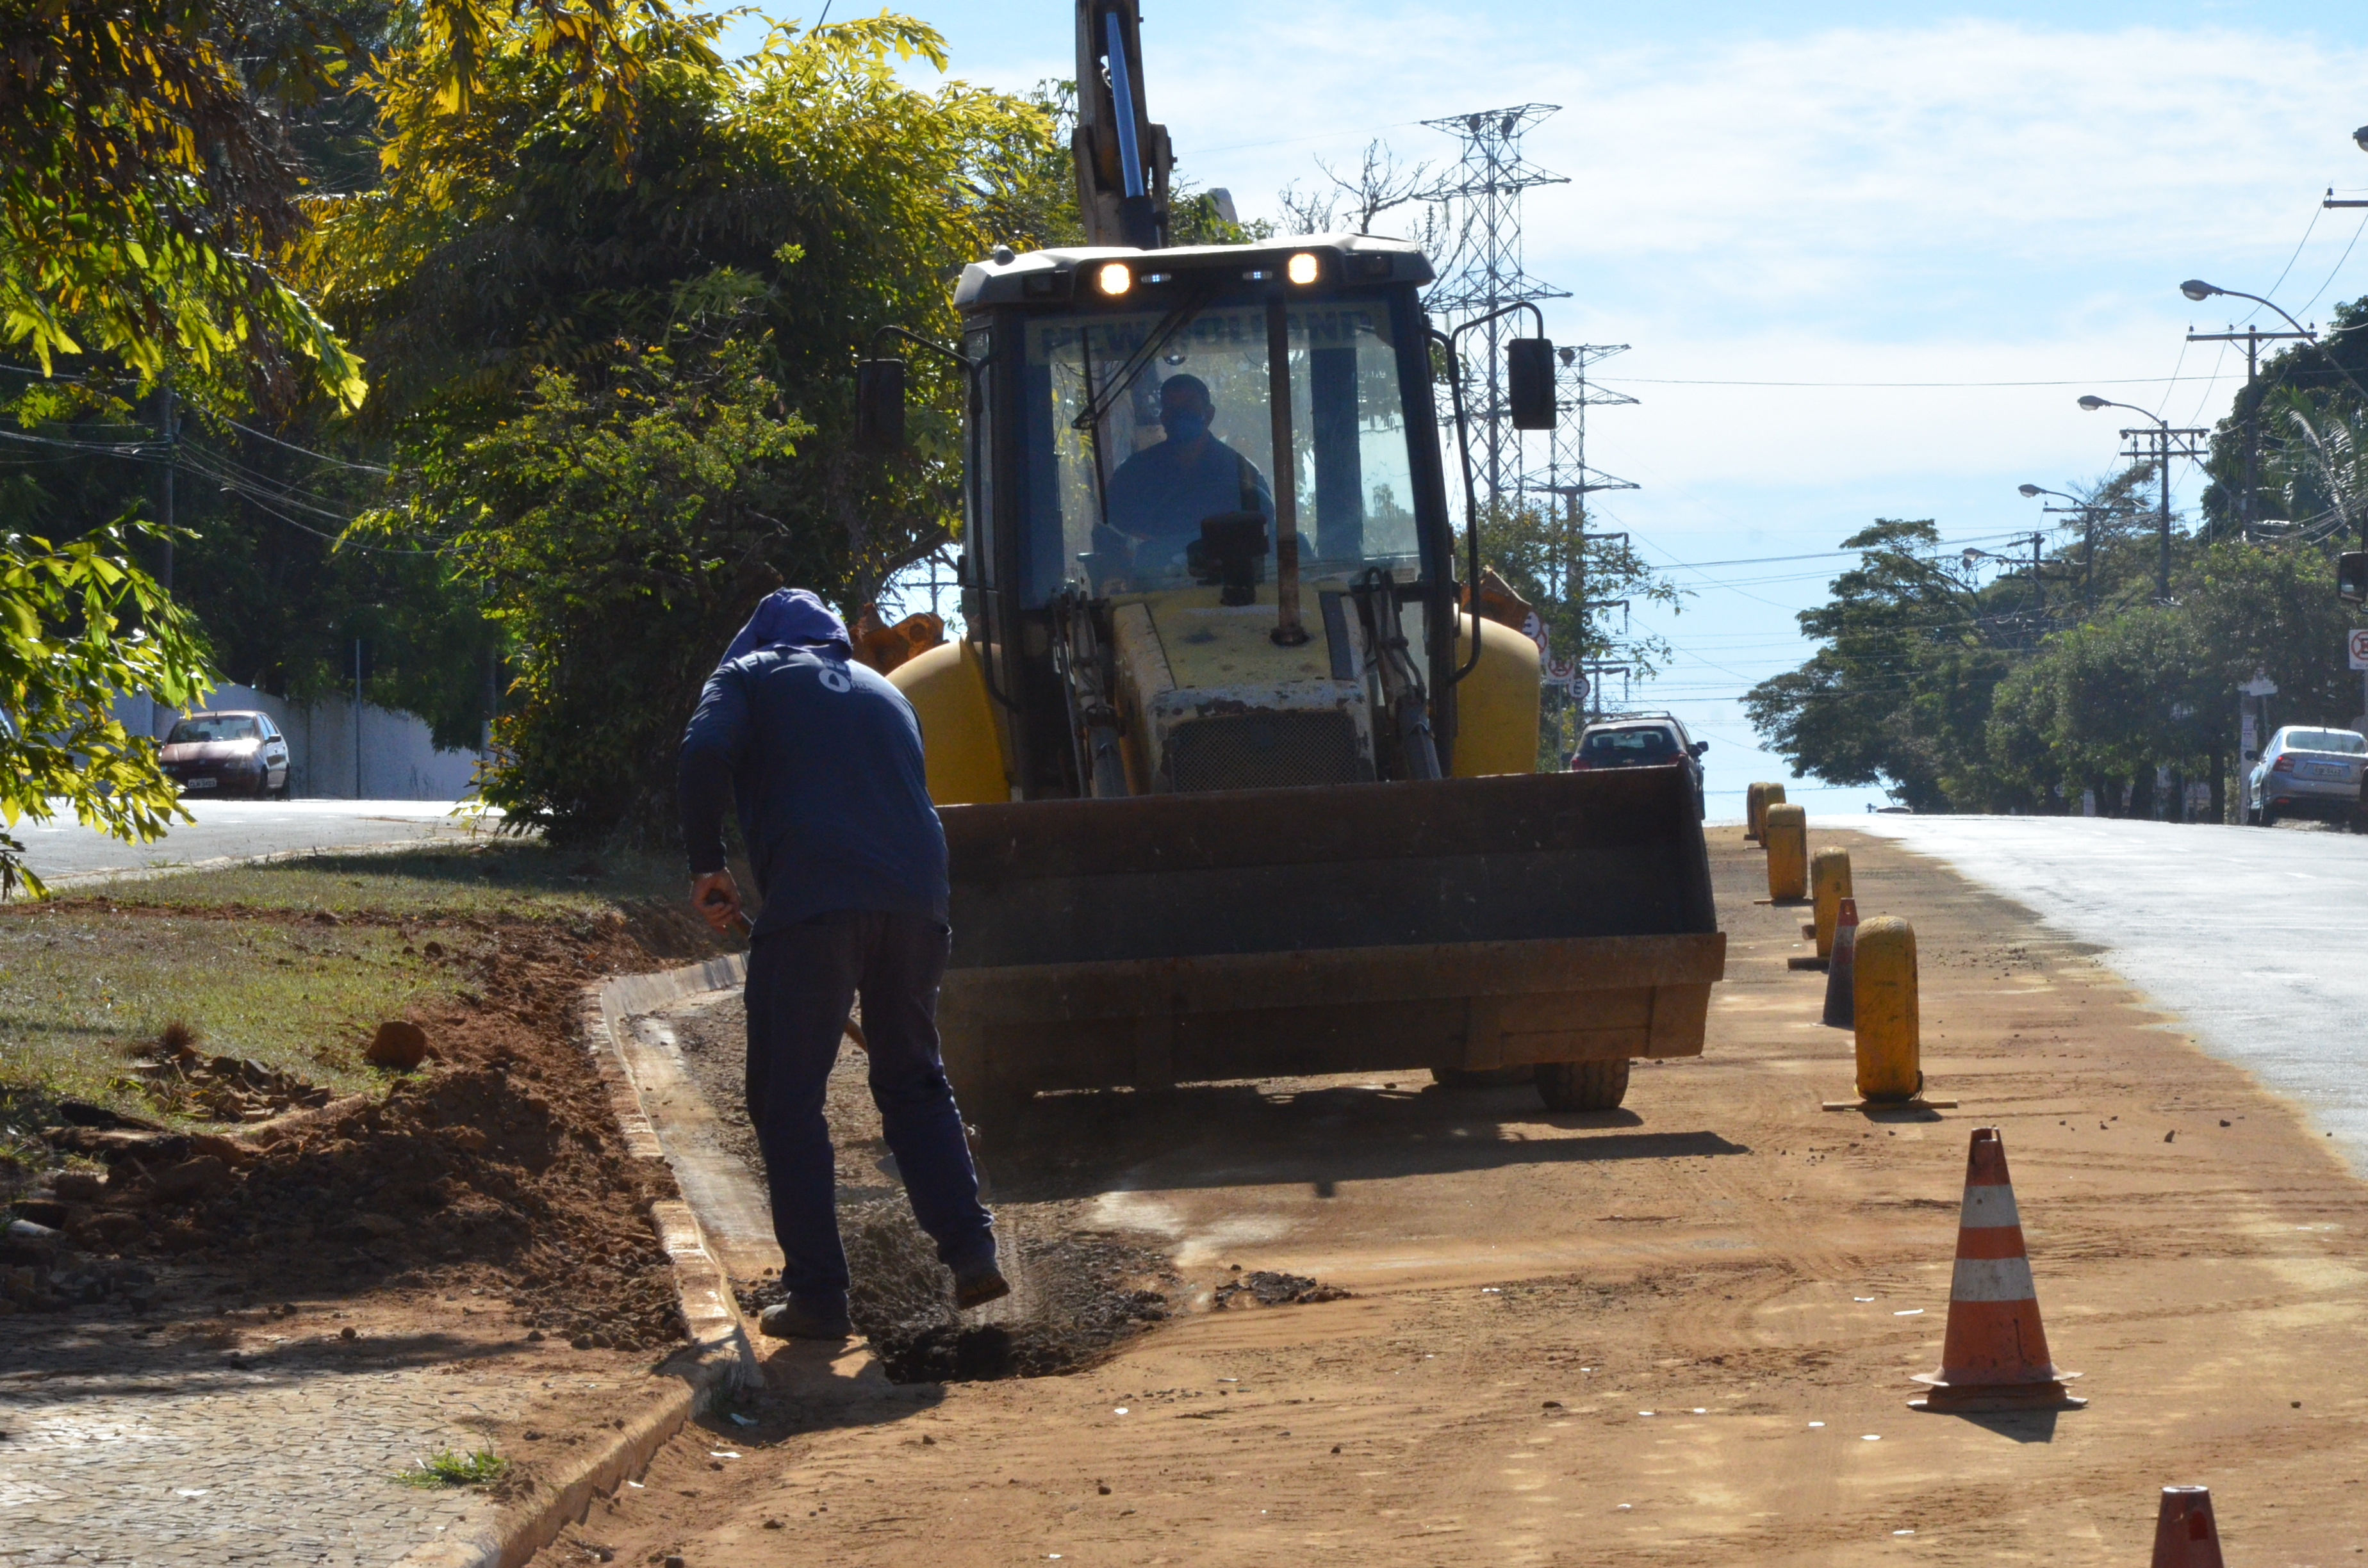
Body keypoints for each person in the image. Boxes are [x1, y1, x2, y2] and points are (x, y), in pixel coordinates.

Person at [678, 588, 1005, 1340]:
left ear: (760, 641)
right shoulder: (885, 692)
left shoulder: (751, 675)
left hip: (818, 906)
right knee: (913, 1077)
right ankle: (971, 1250)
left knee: (787, 1100)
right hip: (919, 902)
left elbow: (703, 754)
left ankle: (820, 1298)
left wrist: (708, 867)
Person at [1102, 373, 1274, 573]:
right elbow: (1114, 531)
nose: (1180, 416)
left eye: (1189, 408)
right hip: (1155, 588)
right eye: (1172, 410)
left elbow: (1265, 536)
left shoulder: (1242, 474)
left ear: (1209, 415)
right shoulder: (1133, 473)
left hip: (1236, 586)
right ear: (1164, 417)